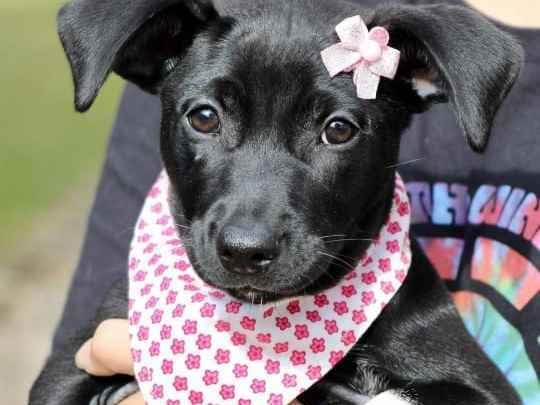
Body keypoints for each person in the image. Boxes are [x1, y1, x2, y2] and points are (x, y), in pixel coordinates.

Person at [50, 0, 539, 404]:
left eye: (337, 130)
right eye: (205, 120)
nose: (249, 237)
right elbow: (65, 381)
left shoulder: (401, 311)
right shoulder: (155, 289)